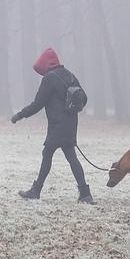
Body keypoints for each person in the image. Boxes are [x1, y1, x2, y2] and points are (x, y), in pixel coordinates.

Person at [10, 47, 93, 203]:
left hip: (57, 125)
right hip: (71, 123)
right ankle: (85, 194)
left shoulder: (49, 78)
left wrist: (20, 115)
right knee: (71, 157)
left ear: (45, 65)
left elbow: (37, 104)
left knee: (47, 155)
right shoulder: (70, 75)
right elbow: (84, 98)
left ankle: (36, 191)